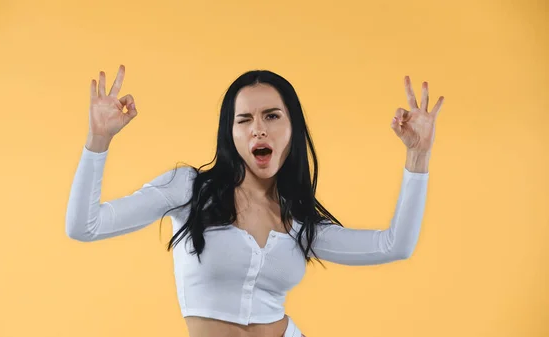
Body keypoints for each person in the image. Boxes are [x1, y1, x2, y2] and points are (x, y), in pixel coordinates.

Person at [65, 65, 444, 337]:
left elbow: (396, 245)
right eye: (244, 119)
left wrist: (419, 155)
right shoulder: (189, 190)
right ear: (230, 133)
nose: (258, 127)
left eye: (272, 116)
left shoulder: (300, 221)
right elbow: (85, 227)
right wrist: (98, 140)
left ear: (291, 129)